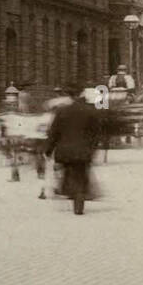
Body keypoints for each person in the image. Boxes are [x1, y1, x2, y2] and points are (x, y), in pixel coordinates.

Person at [46, 84, 101, 215]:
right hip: (83, 151)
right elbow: (96, 134)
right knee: (81, 175)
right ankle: (79, 200)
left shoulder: (61, 111)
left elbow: (54, 133)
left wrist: (48, 150)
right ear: (81, 95)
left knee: (70, 173)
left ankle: (73, 194)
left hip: (66, 152)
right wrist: (92, 149)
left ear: (68, 96)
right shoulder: (90, 111)